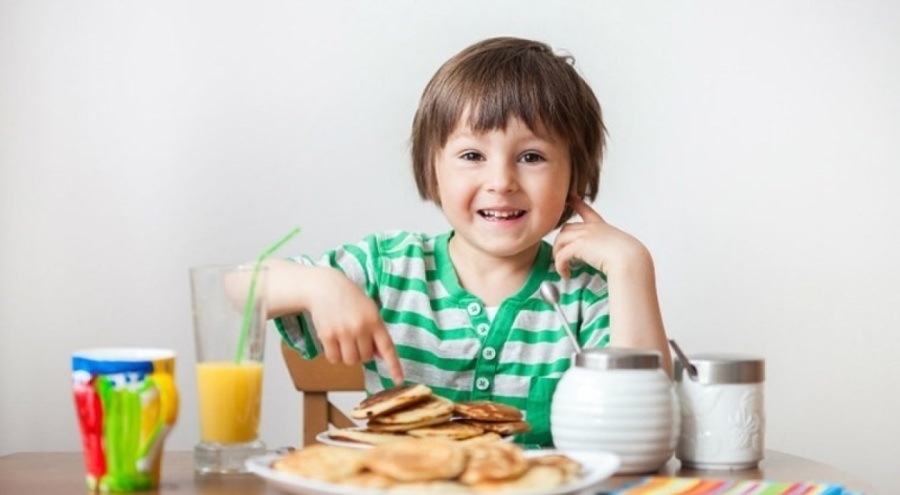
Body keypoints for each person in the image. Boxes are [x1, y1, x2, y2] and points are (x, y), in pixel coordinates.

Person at [261, 37, 670, 446]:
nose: (500, 182)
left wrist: (631, 267)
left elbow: (644, 430)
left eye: (531, 157)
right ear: (432, 167)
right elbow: (233, 290)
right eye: (472, 155)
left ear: (574, 177)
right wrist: (320, 286)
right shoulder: (387, 267)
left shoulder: (588, 293)